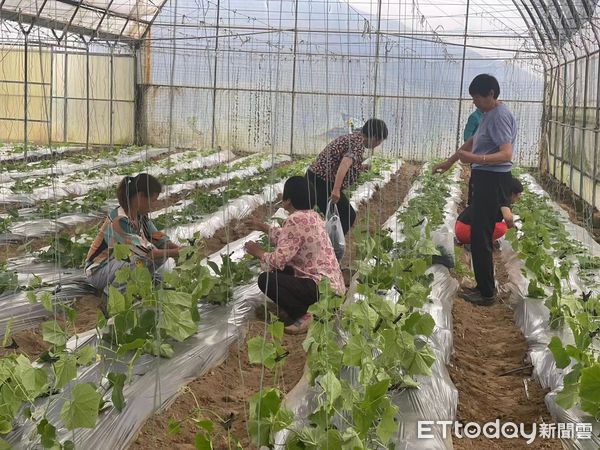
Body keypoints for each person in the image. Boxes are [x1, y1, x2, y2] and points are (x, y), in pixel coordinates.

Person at [433, 74, 516, 306]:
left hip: (492, 180)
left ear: (491, 94)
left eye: (477, 97)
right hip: (485, 178)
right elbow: (471, 142)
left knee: (481, 237)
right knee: (479, 235)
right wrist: (449, 162)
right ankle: (483, 287)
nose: (474, 102)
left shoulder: (500, 116)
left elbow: (506, 154)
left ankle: (487, 293)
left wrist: (476, 159)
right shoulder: (489, 113)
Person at [244, 176, 346, 334]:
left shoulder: (294, 220)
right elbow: (289, 238)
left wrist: (257, 251)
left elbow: (278, 260)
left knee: (267, 279)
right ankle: (318, 307)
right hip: (332, 288)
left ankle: (306, 314)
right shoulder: (313, 216)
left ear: (288, 201)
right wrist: (262, 226)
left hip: (319, 287)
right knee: (282, 272)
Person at [85, 174, 180, 309]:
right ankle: (111, 295)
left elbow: (158, 238)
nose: (153, 206)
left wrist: (180, 249)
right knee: (138, 259)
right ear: (140, 197)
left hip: (117, 264)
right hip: (99, 271)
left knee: (161, 254)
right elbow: (147, 253)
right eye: (152, 201)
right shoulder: (119, 220)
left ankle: (140, 282)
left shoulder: (140, 216)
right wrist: (176, 252)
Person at [306, 118, 388, 236]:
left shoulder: (354, 138)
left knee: (334, 215)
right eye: (380, 141)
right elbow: (344, 164)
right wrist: (336, 190)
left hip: (316, 178)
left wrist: (360, 167)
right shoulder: (358, 144)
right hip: (321, 182)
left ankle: (324, 242)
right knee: (347, 216)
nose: (378, 144)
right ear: (375, 137)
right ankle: (328, 244)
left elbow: (342, 161)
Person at [455, 177, 523, 245]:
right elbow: (508, 219)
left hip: (460, 226)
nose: (517, 200)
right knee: (502, 228)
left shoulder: (494, 194)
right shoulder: (504, 200)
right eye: (518, 197)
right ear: (513, 194)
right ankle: (482, 244)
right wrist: (514, 229)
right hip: (465, 231)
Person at [464, 108, 483, 205]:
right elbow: (467, 136)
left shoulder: (489, 116)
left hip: (486, 154)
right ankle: (471, 202)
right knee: (476, 177)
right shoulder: (474, 117)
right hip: (476, 154)